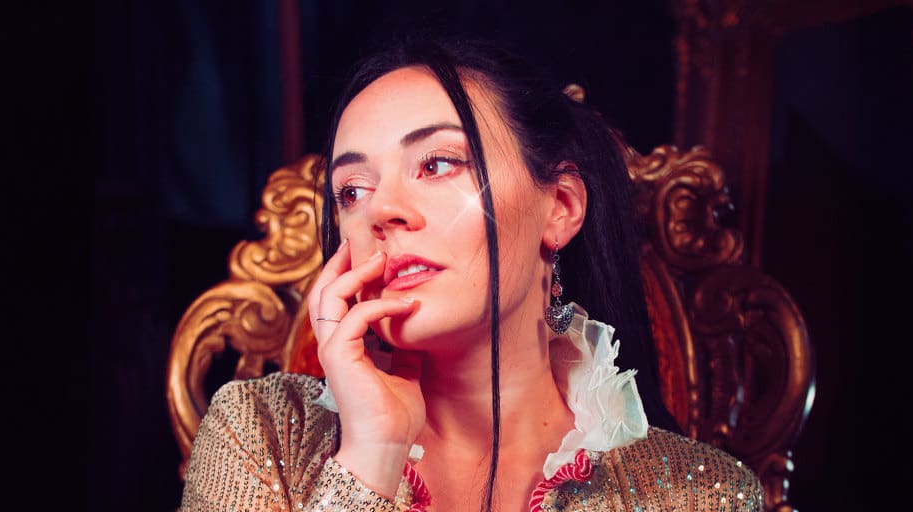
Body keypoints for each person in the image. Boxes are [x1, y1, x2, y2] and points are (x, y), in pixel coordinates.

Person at [179, 38, 763, 512]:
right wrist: (370, 458)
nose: (381, 211)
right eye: (351, 191)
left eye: (437, 164)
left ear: (559, 206)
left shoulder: (700, 495)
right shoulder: (258, 431)